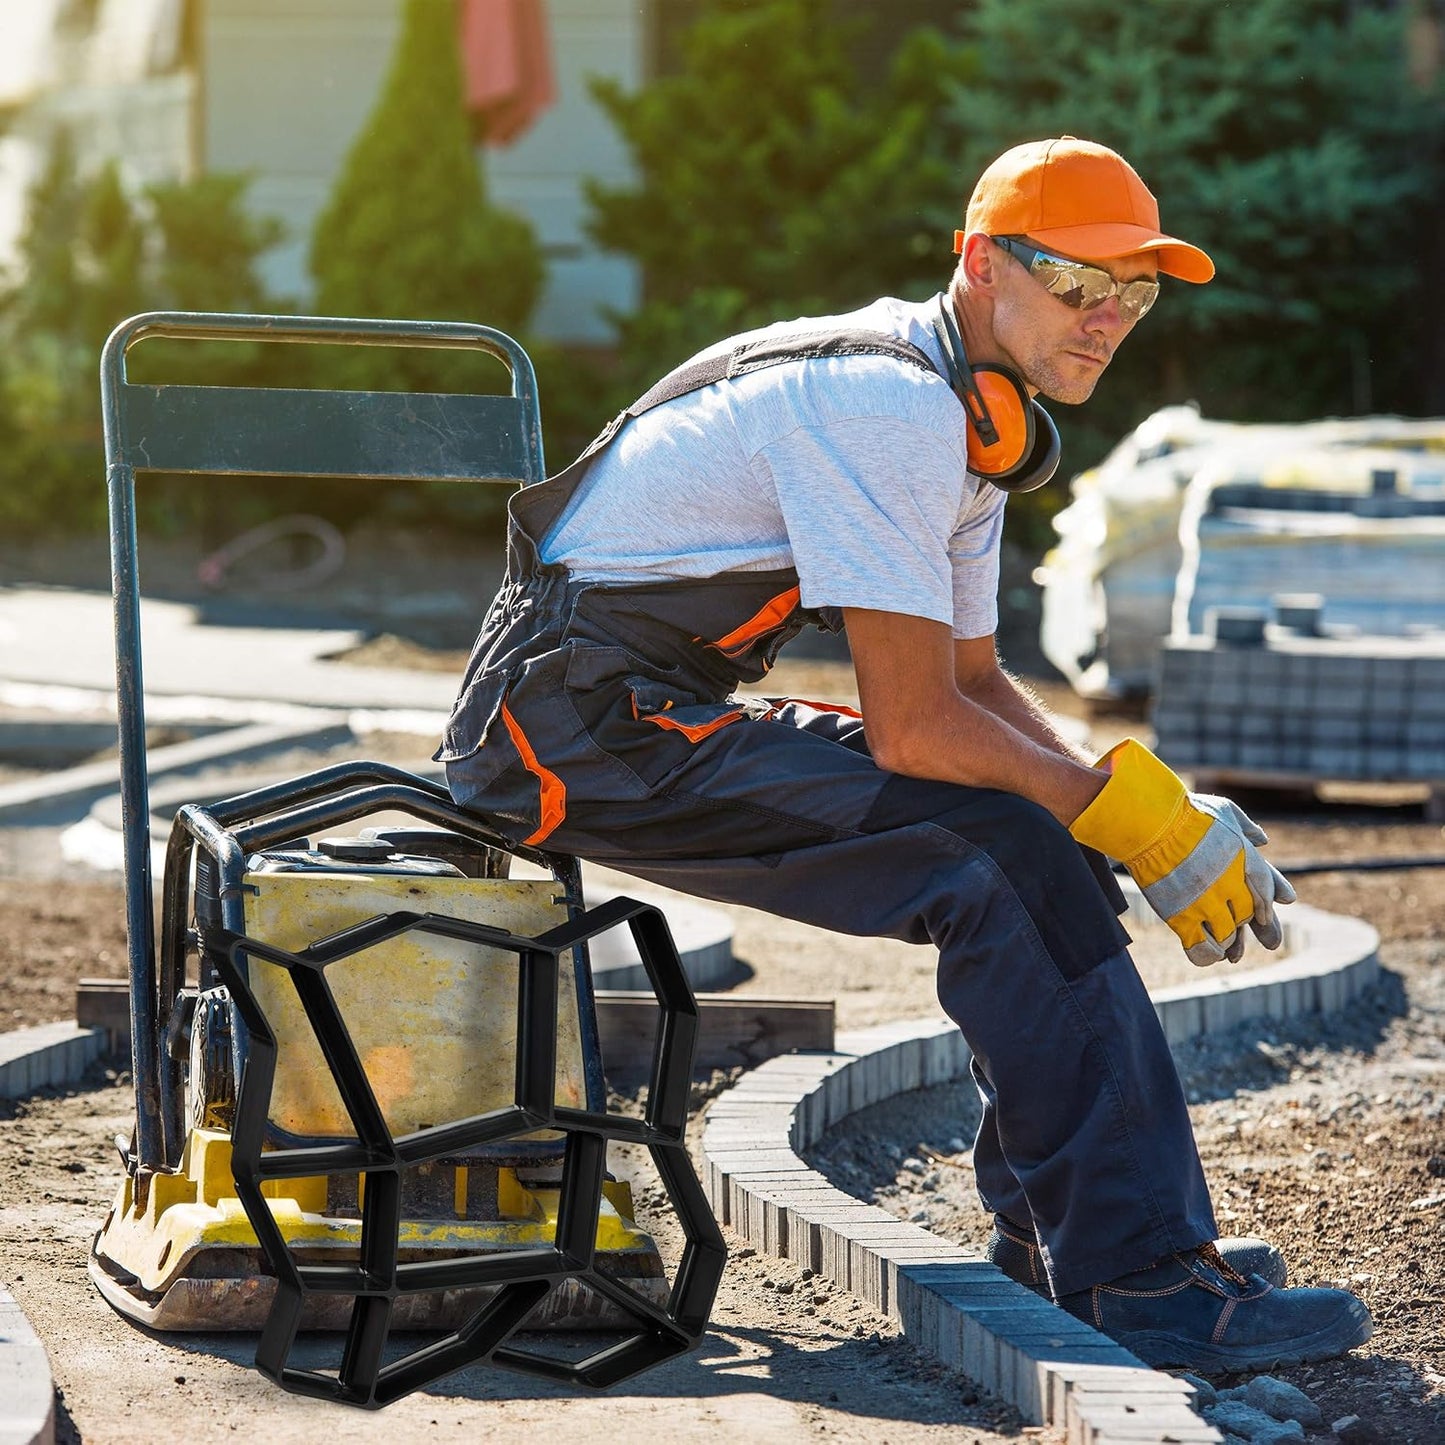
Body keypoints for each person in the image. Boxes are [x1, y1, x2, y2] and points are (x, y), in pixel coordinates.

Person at [439, 136, 1372, 1372]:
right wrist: (1121, 822)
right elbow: (914, 728)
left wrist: (1137, 803)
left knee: (1032, 838)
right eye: (1079, 283)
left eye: (1132, 294)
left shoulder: (973, 418)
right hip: (564, 729)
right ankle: (1141, 1278)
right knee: (992, 861)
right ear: (984, 264)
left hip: (636, 708)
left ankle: (1064, 1235)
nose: (1108, 318)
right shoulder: (887, 404)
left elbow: (976, 686)